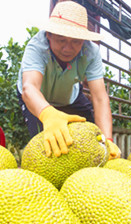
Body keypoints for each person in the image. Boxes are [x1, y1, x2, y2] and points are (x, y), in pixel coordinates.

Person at [17, 1, 120, 159]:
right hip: (36, 98)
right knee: (48, 151)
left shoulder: (91, 52)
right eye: (61, 40)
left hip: (70, 97)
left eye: (75, 42)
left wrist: (108, 139)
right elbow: (29, 87)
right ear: (49, 35)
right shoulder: (37, 47)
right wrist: (48, 114)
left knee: (95, 140)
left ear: (84, 41)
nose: (67, 48)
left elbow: (100, 98)